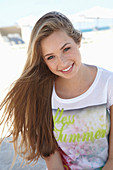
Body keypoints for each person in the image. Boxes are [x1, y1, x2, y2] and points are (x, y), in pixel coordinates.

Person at [0, 11, 113, 170]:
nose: (62, 62)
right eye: (50, 57)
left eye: (66, 49)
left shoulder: (108, 83)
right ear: (43, 61)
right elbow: (51, 155)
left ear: (78, 40)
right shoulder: (43, 93)